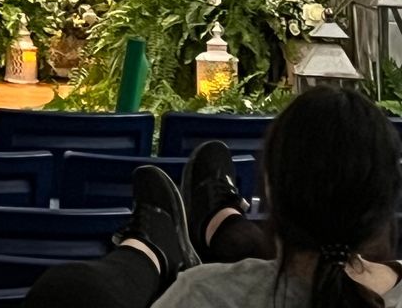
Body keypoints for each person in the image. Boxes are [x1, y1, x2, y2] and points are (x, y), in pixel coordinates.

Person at [28, 86, 402, 308]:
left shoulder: (203, 293)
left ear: (270, 190)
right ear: (388, 200)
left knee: (67, 291)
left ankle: (158, 247)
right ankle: (220, 226)